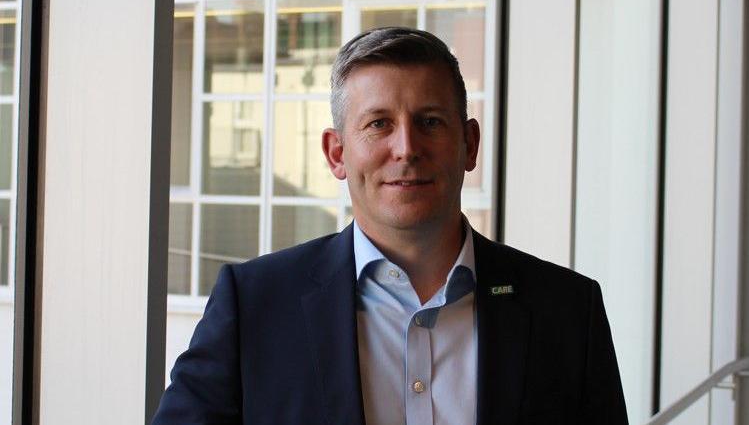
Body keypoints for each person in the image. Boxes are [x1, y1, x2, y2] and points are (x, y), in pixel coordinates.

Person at [152, 27, 628, 425]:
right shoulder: (254, 306)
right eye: (379, 124)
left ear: (470, 144)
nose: (406, 148)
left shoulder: (567, 312)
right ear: (338, 154)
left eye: (431, 122)